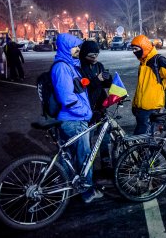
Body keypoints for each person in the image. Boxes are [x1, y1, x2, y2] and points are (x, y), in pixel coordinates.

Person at [51, 33, 103, 203]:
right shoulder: (62, 67)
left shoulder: (70, 65)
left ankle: (67, 190)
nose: (78, 49)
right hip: (73, 120)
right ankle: (87, 192)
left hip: (73, 118)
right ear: (66, 47)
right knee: (85, 157)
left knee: (70, 158)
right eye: (75, 46)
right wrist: (87, 113)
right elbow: (67, 99)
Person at [79, 40, 113, 171]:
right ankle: (87, 165)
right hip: (88, 108)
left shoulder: (99, 65)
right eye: (91, 56)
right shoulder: (80, 68)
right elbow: (84, 88)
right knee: (88, 138)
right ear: (84, 54)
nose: (95, 58)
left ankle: (106, 161)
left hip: (101, 106)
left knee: (105, 136)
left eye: (96, 55)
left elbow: (104, 84)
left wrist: (108, 79)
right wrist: (96, 79)